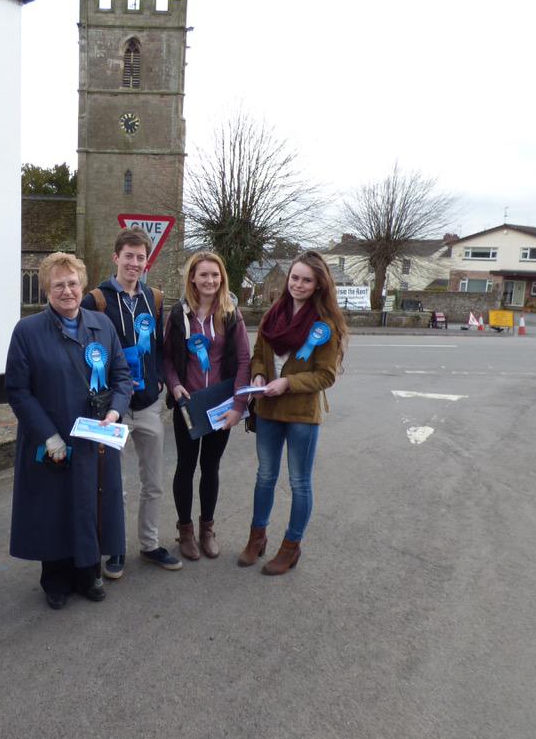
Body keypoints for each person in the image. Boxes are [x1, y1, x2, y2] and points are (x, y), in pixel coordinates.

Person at [6, 252, 132, 609]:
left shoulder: (102, 325)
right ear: (46, 289)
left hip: (95, 439)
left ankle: (87, 573)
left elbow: (121, 376)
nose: (67, 291)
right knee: (54, 507)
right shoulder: (27, 331)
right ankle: (55, 580)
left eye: (73, 283)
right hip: (53, 439)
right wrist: (48, 435)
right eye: (58, 284)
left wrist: (115, 411)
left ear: (83, 285)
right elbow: (18, 390)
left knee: (93, 505)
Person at [237, 251, 347, 575]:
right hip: (268, 410)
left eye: (306, 280)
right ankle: (257, 538)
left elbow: (326, 375)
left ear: (318, 285)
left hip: (301, 414)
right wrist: (258, 375)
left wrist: (287, 381)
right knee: (265, 477)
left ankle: (291, 546)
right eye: (294, 277)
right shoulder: (274, 313)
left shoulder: (324, 325)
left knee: (299, 483)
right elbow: (259, 353)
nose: (298, 284)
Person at [80, 227, 182, 578]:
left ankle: (150, 544)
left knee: (153, 481)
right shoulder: (96, 299)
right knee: (112, 484)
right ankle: (115, 548)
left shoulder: (154, 298)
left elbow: (158, 347)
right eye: (129, 256)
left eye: (141, 257)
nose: (135, 263)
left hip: (149, 404)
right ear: (116, 257)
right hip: (112, 407)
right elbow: (84, 349)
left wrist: (157, 379)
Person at [162, 251, 251, 560]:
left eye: (216, 275)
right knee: (185, 467)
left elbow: (243, 360)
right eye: (204, 275)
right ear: (193, 278)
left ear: (222, 278)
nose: (210, 280)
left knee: (210, 467)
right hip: (188, 405)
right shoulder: (178, 315)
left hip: (220, 406)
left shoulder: (231, 314)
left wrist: (239, 405)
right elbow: (167, 357)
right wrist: (174, 386)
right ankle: (185, 531)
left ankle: (207, 529)